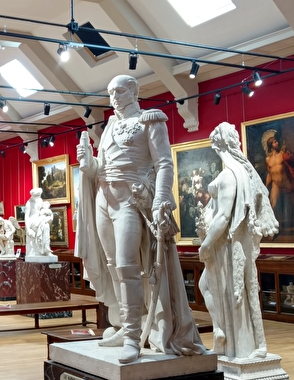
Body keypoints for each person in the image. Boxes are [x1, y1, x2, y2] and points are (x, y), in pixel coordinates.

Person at [75, 74, 206, 363]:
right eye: (110, 92)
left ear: (134, 92)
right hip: (104, 198)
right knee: (112, 266)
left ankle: (133, 337)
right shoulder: (109, 126)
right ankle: (126, 325)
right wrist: (89, 164)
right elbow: (101, 168)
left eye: (120, 91)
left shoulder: (150, 120)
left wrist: (160, 199)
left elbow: (164, 163)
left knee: (127, 266)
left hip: (131, 199)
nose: (114, 97)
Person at [196, 122, 279, 359]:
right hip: (240, 244)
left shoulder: (228, 176)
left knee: (227, 292)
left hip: (227, 246)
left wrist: (206, 244)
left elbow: (223, 216)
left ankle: (234, 343)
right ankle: (236, 340)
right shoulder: (245, 172)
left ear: (218, 145)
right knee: (238, 291)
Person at [262, 129, 294, 229]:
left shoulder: (282, 154)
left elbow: (292, 160)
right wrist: (265, 186)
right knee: (272, 206)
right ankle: (271, 228)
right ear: (270, 145)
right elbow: (269, 174)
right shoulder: (267, 160)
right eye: (274, 142)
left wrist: (291, 156)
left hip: (285, 182)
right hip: (276, 184)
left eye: (276, 141)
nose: (277, 143)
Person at [23, 188, 45, 256]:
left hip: (39, 219)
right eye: (36, 196)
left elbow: (43, 210)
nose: (38, 197)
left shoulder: (40, 200)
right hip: (31, 221)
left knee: (45, 227)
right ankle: (34, 253)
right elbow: (26, 216)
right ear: (32, 195)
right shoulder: (29, 203)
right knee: (32, 241)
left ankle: (43, 250)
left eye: (39, 195)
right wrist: (28, 229)